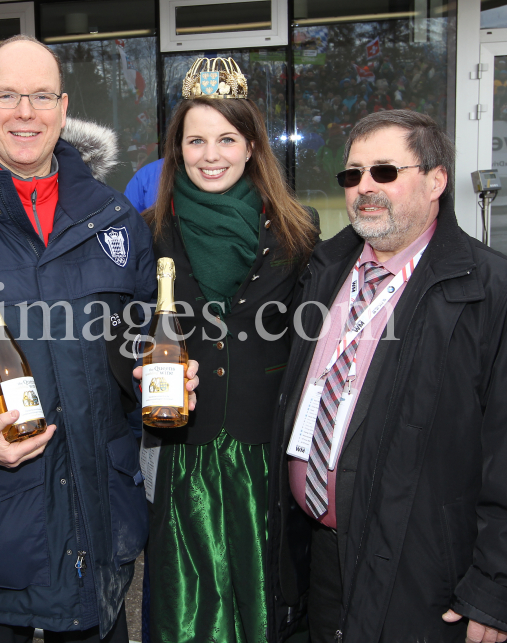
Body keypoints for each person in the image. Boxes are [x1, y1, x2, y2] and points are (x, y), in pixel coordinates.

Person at [0, 34, 198, 643]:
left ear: (62, 107)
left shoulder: (113, 217)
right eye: (7, 95)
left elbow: (136, 338)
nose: (24, 112)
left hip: (97, 523)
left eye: (40, 96)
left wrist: (160, 372)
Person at [268, 110, 507, 643]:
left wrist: (499, 591)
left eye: (384, 172)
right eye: (352, 174)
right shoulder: (323, 270)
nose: (364, 187)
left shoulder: (504, 293)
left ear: (436, 179)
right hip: (317, 560)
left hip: (423, 576)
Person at [140, 57, 317, 643]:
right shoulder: (148, 230)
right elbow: (120, 326)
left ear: (251, 147)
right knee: (187, 606)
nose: (210, 154)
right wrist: (140, 363)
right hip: (183, 449)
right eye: (195, 140)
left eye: (226, 138)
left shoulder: (298, 232)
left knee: (266, 603)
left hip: (264, 449)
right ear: (177, 149)